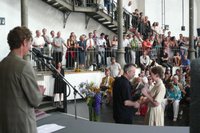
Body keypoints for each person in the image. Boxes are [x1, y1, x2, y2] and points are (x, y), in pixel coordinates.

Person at [0, 26, 44, 133]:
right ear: (24, 42)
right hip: (22, 124)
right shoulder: (24, 66)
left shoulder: (2, 64)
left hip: (5, 123)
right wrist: (40, 92)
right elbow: (35, 100)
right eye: (29, 43)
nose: (30, 47)